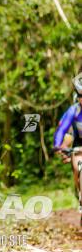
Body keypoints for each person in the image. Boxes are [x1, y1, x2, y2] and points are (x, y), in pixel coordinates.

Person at [53, 73, 82, 216]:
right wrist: (58, 146)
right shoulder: (73, 111)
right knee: (77, 168)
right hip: (78, 145)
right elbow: (62, 130)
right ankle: (80, 193)